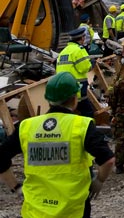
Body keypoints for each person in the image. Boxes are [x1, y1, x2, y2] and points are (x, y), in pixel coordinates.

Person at [0, 73, 115, 218]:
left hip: (35, 210)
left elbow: (1, 158)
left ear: (48, 99)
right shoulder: (81, 125)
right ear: (75, 98)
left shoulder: (27, 126)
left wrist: (16, 187)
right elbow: (108, 160)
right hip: (73, 209)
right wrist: (99, 180)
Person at [56, 26, 95, 118]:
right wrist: (92, 63)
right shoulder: (79, 50)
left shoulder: (63, 52)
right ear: (82, 38)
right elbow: (84, 68)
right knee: (88, 112)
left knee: (67, 111)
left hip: (62, 87)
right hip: (77, 88)